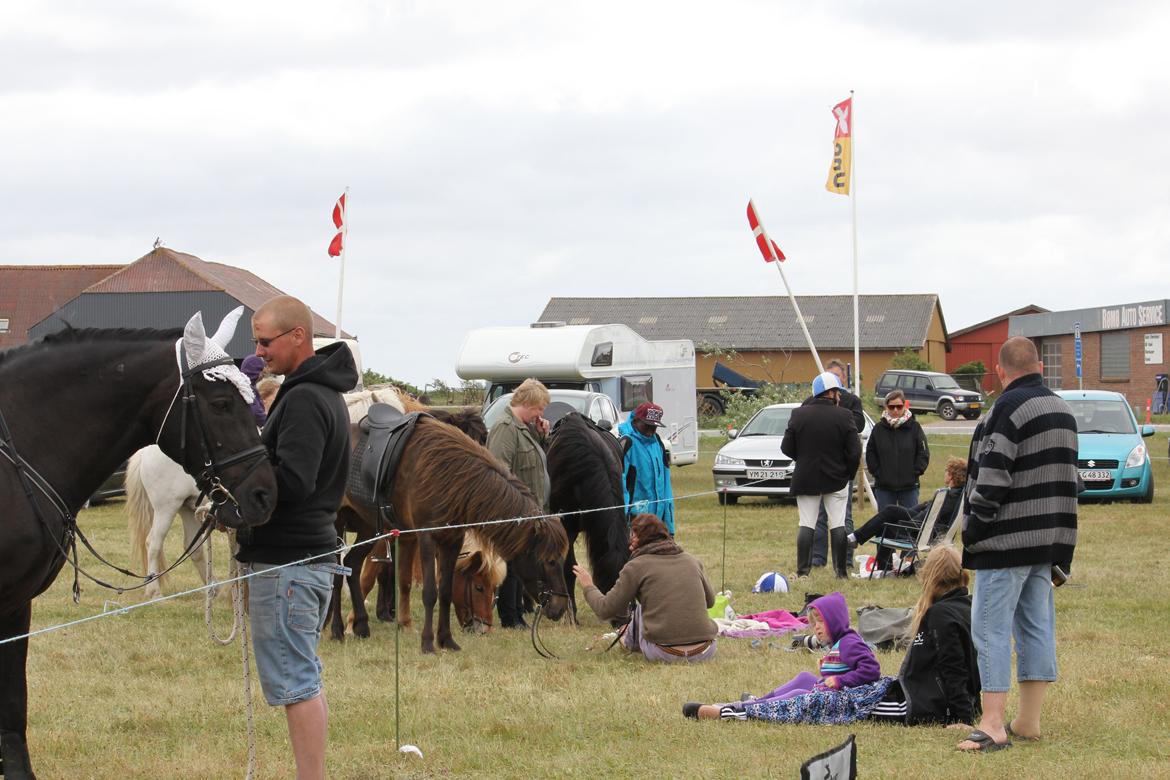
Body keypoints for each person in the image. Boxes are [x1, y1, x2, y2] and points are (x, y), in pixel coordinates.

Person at [237, 295, 357, 780]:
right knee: (301, 675)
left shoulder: (305, 398)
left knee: (296, 681)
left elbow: (294, 480)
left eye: (265, 341)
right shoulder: (313, 391)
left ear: (297, 337)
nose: (259, 351)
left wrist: (240, 500)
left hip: (290, 561)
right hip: (301, 558)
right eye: (256, 342)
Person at [956, 336, 1078, 753]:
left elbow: (991, 479)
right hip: (1048, 541)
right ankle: (1028, 721)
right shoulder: (1063, 410)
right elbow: (1071, 482)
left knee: (989, 629)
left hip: (1005, 541)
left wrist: (973, 531)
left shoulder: (1006, 409)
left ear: (1001, 372)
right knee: (1035, 627)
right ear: (1040, 366)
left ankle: (992, 724)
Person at [684, 591, 880, 719]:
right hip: (834, 694)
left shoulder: (849, 643)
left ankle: (737, 713)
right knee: (804, 677)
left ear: (836, 621)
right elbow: (843, 669)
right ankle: (750, 703)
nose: (817, 628)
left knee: (798, 695)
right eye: (814, 624)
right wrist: (828, 670)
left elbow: (872, 670)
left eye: (822, 622)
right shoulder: (839, 643)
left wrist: (840, 680)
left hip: (846, 700)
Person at [574, 513, 717, 663]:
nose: (629, 543)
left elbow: (605, 610)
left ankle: (627, 642)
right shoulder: (692, 561)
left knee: (642, 607)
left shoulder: (636, 566)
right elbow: (710, 602)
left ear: (641, 538)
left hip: (663, 653)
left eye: (633, 536)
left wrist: (588, 586)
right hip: (705, 650)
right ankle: (629, 639)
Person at [869, 545, 981, 725]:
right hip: (937, 699)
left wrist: (963, 718)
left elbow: (954, 667)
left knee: (850, 703)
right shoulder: (969, 605)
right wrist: (974, 706)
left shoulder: (941, 615)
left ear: (929, 576)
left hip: (926, 705)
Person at [782, 371, 861, 578]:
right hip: (837, 479)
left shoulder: (798, 414)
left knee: (806, 523)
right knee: (838, 524)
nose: (840, 397)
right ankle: (841, 572)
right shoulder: (844, 415)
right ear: (832, 393)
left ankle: (802, 572)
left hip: (806, 477)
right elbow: (854, 451)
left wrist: (804, 459)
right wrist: (848, 473)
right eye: (838, 392)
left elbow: (786, 447)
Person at [487, 378, 551, 629]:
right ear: (526, 403)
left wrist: (543, 435)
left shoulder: (525, 428)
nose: (541, 413)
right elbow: (499, 473)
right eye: (539, 408)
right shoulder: (505, 428)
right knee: (511, 567)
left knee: (520, 565)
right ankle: (509, 616)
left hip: (529, 511)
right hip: (513, 512)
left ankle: (517, 614)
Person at [850, 456, 966, 572]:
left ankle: (859, 541)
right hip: (931, 530)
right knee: (890, 514)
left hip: (921, 532)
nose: (945, 473)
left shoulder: (948, 496)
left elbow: (925, 517)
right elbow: (925, 509)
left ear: (951, 475)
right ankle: (858, 540)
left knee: (888, 516)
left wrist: (904, 523)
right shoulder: (956, 494)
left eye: (946, 471)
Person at [809, 360, 865, 568]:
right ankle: (817, 558)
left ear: (843, 378)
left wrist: (837, 416)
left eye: (836, 376)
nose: (833, 380)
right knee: (819, 515)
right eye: (828, 375)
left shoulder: (852, 401)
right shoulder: (813, 401)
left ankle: (846, 559)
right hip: (819, 466)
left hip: (841, 467)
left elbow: (859, 424)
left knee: (844, 516)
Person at [866, 388, 929, 510]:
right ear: (886, 407)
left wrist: (915, 472)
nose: (895, 410)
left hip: (909, 487)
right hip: (884, 488)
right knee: (885, 524)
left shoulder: (914, 427)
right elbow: (870, 453)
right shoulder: (878, 429)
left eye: (899, 407)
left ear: (904, 406)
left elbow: (923, 452)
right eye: (891, 407)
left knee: (910, 523)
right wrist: (878, 473)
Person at [617, 402, 675, 534]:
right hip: (634, 524)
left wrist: (669, 527)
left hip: (657, 522)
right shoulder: (626, 442)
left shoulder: (658, 443)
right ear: (636, 420)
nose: (650, 431)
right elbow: (620, 484)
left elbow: (666, 486)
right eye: (647, 426)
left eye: (654, 427)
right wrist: (623, 520)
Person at [240, 354, 269, 427]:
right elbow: (257, 414)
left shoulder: (243, 386)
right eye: (262, 372)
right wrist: (270, 423)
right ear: (255, 372)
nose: (263, 376)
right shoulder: (247, 390)